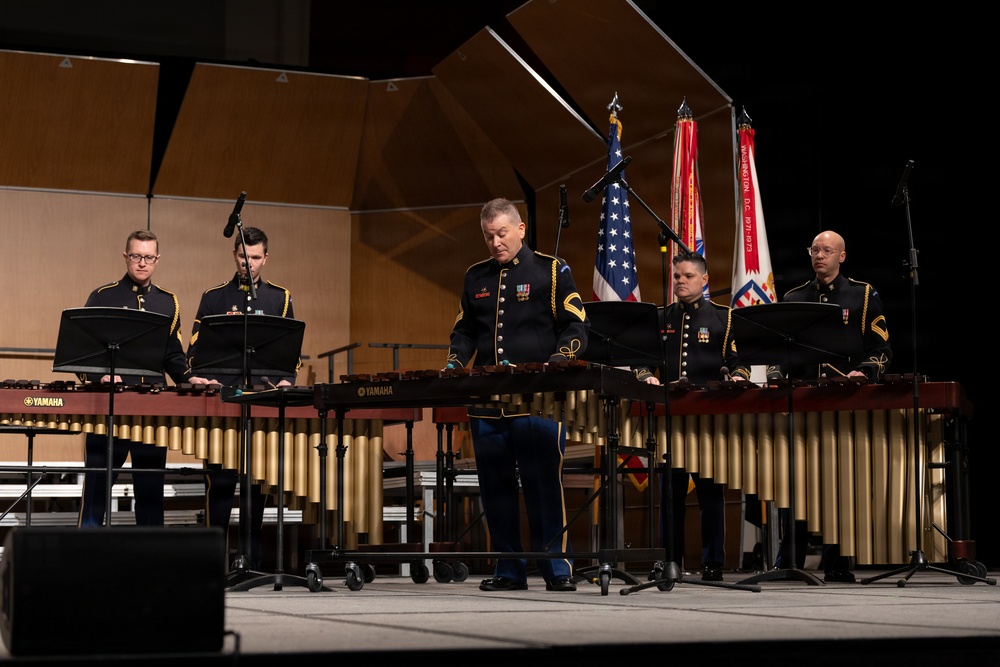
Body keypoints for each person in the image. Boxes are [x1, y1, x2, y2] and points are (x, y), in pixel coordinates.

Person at [446, 197, 589, 592]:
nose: (495, 242)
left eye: (502, 233)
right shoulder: (475, 277)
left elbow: (576, 327)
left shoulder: (551, 271)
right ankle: (508, 570)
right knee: (496, 489)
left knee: (544, 485)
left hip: (538, 399)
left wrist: (561, 360)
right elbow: (464, 333)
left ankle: (557, 569)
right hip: (488, 402)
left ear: (521, 229)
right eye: (489, 236)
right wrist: (456, 363)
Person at [768, 229, 892, 583]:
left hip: (845, 402)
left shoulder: (863, 294)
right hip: (804, 404)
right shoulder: (795, 296)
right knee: (795, 484)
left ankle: (838, 563)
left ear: (842, 256)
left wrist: (865, 371)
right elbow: (780, 353)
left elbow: (882, 350)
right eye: (814, 249)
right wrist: (777, 372)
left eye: (826, 250)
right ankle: (790, 560)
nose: (819, 255)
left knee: (842, 485)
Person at [635, 250, 751, 581]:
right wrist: (646, 377)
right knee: (669, 496)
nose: (680, 282)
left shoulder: (723, 317)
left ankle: (713, 563)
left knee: (710, 495)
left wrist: (739, 376)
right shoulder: (659, 318)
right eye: (676, 276)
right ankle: (670, 563)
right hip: (670, 417)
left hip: (708, 419)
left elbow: (739, 361)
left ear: (704, 280)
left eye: (687, 276)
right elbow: (641, 362)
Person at [187, 226, 297, 570]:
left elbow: (290, 352)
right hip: (223, 400)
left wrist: (285, 380)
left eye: (255, 257)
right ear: (233, 255)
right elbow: (194, 350)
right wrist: (201, 373)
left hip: (262, 399)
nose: (248, 264)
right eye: (242, 256)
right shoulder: (213, 297)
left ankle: (251, 560)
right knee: (219, 484)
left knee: (255, 486)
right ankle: (211, 561)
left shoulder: (280, 298)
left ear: (265, 257)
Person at [77, 229, 190, 527]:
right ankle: (82, 564)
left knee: (151, 494)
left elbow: (173, 356)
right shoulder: (103, 296)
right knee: (96, 494)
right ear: (126, 257)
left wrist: (192, 379)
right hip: (107, 410)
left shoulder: (169, 302)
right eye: (137, 256)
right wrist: (97, 377)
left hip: (152, 411)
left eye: (149, 257)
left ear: (157, 259)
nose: (142, 263)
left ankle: (150, 566)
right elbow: (83, 353)